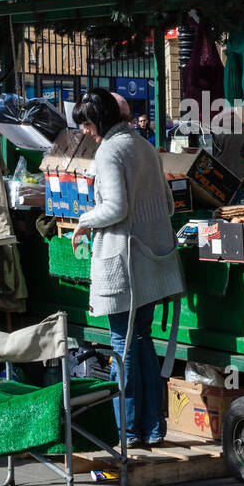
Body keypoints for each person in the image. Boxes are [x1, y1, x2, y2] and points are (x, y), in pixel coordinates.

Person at [70, 88, 183, 448]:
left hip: (123, 263)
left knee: (123, 343)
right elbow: (167, 203)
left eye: (87, 124)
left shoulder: (108, 152)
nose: (86, 131)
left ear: (99, 120)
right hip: (152, 262)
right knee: (142, 339)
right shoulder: (145, 147)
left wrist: (84, 220)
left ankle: (130, 430)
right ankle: (153, 427)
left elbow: (115, 208)